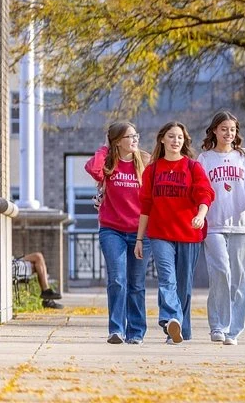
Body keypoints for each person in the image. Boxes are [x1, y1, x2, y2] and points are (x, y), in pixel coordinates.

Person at [134, 121, 214, 344]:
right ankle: (171, 320)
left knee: (183, 284)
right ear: (162, 139)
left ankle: (181, 329)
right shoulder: (153, 169)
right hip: (160, 234)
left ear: (184, 141)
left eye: (179, 137)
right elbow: (146, 206)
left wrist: (201, 214)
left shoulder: (192, 167)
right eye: (171, 136)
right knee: (167, 280)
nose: (175, 141)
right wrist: (140, 238)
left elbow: (205, 194)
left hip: (189, 233)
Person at [197, 110, 245, 346]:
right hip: (213, 226)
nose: (228, 133)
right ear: (214, 130)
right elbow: (198, 192)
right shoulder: (204, 159)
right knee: (221, 272)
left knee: (242, 279)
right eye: (224, 128)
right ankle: (218, 325)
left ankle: (234, 330)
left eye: (232, 129)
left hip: (242, 226)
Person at [84, 121, 150, 343]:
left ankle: (137, 332)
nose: (134, 140)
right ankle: (116, 330)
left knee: (137, 284)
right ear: (117, 141)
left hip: (140, 232)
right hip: (112, 230)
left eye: (135, 136)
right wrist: (105, 147)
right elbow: (93, 169)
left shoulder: (146, 161)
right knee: (117, 280)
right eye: (129, 137)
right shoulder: (109, 163)